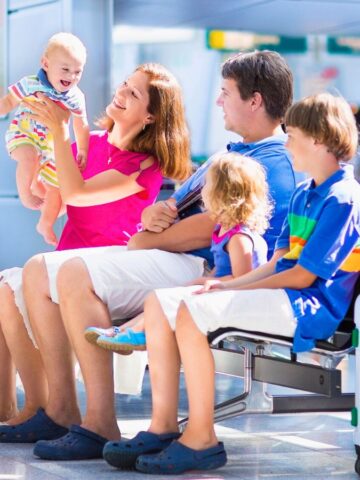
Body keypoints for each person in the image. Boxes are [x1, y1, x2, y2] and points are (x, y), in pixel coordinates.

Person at [14, 50, 297, 461]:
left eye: (226, 93)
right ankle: (61, 410)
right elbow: (173, 209)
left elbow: (222, 225)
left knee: (75, 273)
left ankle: (98, 422)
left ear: (254, 100)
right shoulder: (229, 155)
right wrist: (153, 218)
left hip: (199, 264)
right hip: (171, 252)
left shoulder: (273, 164)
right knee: (39, 270)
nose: (218, 101)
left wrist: (150, 238)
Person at [112, 93, 360, 475]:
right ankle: (162, 426)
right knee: (163, 301)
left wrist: (234, 288)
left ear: (318, 139)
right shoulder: (302, 192)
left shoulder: (343, 198)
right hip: (284, 293)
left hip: (307, 308)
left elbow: (303, 276)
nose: (286, 143)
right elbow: (279, 261)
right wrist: (229, 285)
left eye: (291, 135)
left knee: (191, 310)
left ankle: (201, 439)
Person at [0, 62, 191, 429]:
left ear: (151, 115)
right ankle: (29, 410)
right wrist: (30, 171)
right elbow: (54, 193)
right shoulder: (90, 145)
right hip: (65, 258)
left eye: (133, 93)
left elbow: (78, 193)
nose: (120, 92)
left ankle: (59, 410)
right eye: (124, 84)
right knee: (6, 289)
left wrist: (57, 128)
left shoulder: (144, 164)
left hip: (103, 268)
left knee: (21, 281)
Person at [90, 152, 271, 353]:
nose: (203, 192)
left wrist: (207, 283)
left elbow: (244, 279)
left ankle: (136, 333)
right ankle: (122, 331)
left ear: (221, 193)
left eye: (208, 186)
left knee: (168, 299)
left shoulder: (239, 238)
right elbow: (222, 270)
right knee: (166, 296)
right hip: (223, 292)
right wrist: (206, 279)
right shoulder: (225, 231)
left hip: (237, 300)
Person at [0, 32, 89, 246]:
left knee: (57, 189)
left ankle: (45, 224)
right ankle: (26, 193)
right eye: (65, 69)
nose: (72, 76)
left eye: (78, 71)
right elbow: (9, 101)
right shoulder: (30, 84)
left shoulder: (76, 96)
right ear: (45, 64)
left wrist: (83, 150)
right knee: (29, 158)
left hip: (50, 147)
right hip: (24, 134)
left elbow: (81, 123)